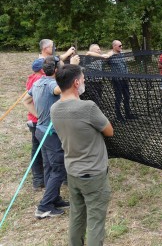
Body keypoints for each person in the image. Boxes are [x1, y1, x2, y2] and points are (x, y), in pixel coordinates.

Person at [50, 64, 113, 246]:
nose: (85, 81)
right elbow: (109, 131)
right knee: (95, 221)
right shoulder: (87, 107)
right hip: (93, 174)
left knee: (76, 216)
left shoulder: (54, 109)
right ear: (76, 83)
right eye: (83, 79)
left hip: (73, 172)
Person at [23, 56, 70, 218]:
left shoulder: (37, 82)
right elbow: (60, 90)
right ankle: (44, 207)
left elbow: (26, 100)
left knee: (49, 167)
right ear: (56, 70)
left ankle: (55, 199)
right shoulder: (51, 84)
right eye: (62, 67)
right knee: (58, 169)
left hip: (41, 130)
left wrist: (40, 116)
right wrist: (73, 70)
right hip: (50, 133)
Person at [26, 59, 46, 191]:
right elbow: (28, 101)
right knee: (39, 150)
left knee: (37, 149)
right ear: (42, 69)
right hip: (37, 120)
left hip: (34, 120)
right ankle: (38, 179)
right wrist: (39, 116)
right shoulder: (39, 79)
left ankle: (39, 179)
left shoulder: (32, 77)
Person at [107, 40, 136, 121]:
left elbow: (125, 65)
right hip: (116, 80)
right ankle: (118, 115)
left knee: (127, 96)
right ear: (114, 46)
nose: (121, 47)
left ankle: (128, 114)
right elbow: (104, 59)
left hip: (125, 79)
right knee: (118, 97)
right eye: (120, 46)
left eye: (121, 45)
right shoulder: (110, 55)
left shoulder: (122, 54)